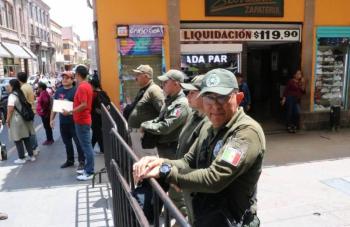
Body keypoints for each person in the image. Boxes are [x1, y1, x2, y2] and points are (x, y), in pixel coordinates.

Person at [134, 68, 266, 227]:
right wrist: (160, 163)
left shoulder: (246, 132)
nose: (215, 106)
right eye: (209, 98)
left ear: (239, 98)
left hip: (232, 220)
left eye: (223, 98)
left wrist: (167, 172)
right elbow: (187, 161)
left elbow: (215, 177)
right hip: (207, 216)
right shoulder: (209, 126)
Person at [140, 69, 190, 159]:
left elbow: (167, 126)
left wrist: (146, 126)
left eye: (166, 82)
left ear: (176, 84)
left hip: (172, 148)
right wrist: (148, 124)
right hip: (164, 147)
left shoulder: (182, 104)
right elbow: (160, 118)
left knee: (170, 172)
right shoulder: (169, 100)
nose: (162, 85)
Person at [63, 65, 94, 181]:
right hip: (82, 120)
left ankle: (89, 171)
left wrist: (70, 111)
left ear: (78, 75)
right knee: (86, 146)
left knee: (86, 146)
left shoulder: (82, 87)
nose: (74, 77)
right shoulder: (86, 86)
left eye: (75, 75)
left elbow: (84, 104)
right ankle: (87, 168)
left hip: (82, 120)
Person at [126, 64, 164, 157]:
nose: (136, 78)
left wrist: (150, 127)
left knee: (146, 164)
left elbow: (163, 112)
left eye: (138, 75)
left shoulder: (154, 90)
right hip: (138, 134)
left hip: (145, 135)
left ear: (146, 76)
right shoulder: (144, 90)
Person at [50, 72, 85, 169]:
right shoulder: (58, 91)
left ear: (73, 80)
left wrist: (71, 111)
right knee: (67, 142)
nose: (64, 80)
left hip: (74, 121)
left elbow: (81, 106)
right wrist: (51, 119)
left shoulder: (76, 90)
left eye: (67, 78)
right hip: (63, 122)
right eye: (63, 78)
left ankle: (82, 161)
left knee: (78, 142)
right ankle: (70, 160)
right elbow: (54, 106)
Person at [6, 79, 36, 164]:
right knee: (26, 137)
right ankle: (31, 156)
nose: (8, 86)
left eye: (9, 85)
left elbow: (10, 109)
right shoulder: (20, 92)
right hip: (24, 118)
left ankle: (21, 158)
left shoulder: (12, 96)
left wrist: (7, 120)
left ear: (12, 86)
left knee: (17, 139)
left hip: (16, 119)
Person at [17, 72, 39, 155]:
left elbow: (24, 101)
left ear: (18, 79)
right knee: (31, 130)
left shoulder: (23, 88)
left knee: (30, 132)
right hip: (32, 110)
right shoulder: (28, 86)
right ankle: (35, 147)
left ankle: (34, 148)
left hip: (28, 112)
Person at [89, 78, 110, 153]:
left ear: (93, 85)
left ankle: (102, 149)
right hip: (103, 116)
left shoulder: (93, 94)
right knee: (97, 133)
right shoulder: (103, 93)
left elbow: (90, 106)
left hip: (95, 117)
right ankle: (93, 148)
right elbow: (109, 103)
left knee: (97, 133)